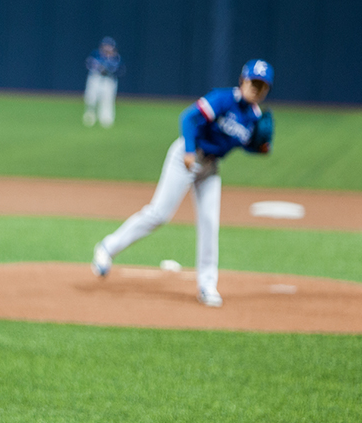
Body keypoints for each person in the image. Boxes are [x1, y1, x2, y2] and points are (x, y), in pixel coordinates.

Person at [92, 59, 275, 307]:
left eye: (262, 86)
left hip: (210, 167)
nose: (257, 89)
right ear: (242, 80)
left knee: (210, 223)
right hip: (185, 158)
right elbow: (189, 118)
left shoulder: (254, 118)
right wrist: (189, 150)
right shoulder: (223, 99)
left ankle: (207, 286)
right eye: (253, 82)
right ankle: (106, 248)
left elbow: (236, 143)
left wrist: (259, 149)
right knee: (159, 214)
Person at [83, 37, 124, 128]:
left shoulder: (116, 57)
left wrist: (108, 69)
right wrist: (100, 68)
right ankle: (90, 117)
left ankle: (106, 120)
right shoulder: (96, 54)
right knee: (91, 98)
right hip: (96, 78)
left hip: (108, 80)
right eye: (106, 46)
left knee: (107, 100)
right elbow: (89, 64)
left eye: (109, 46)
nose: (107, 48)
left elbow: (120, 70)